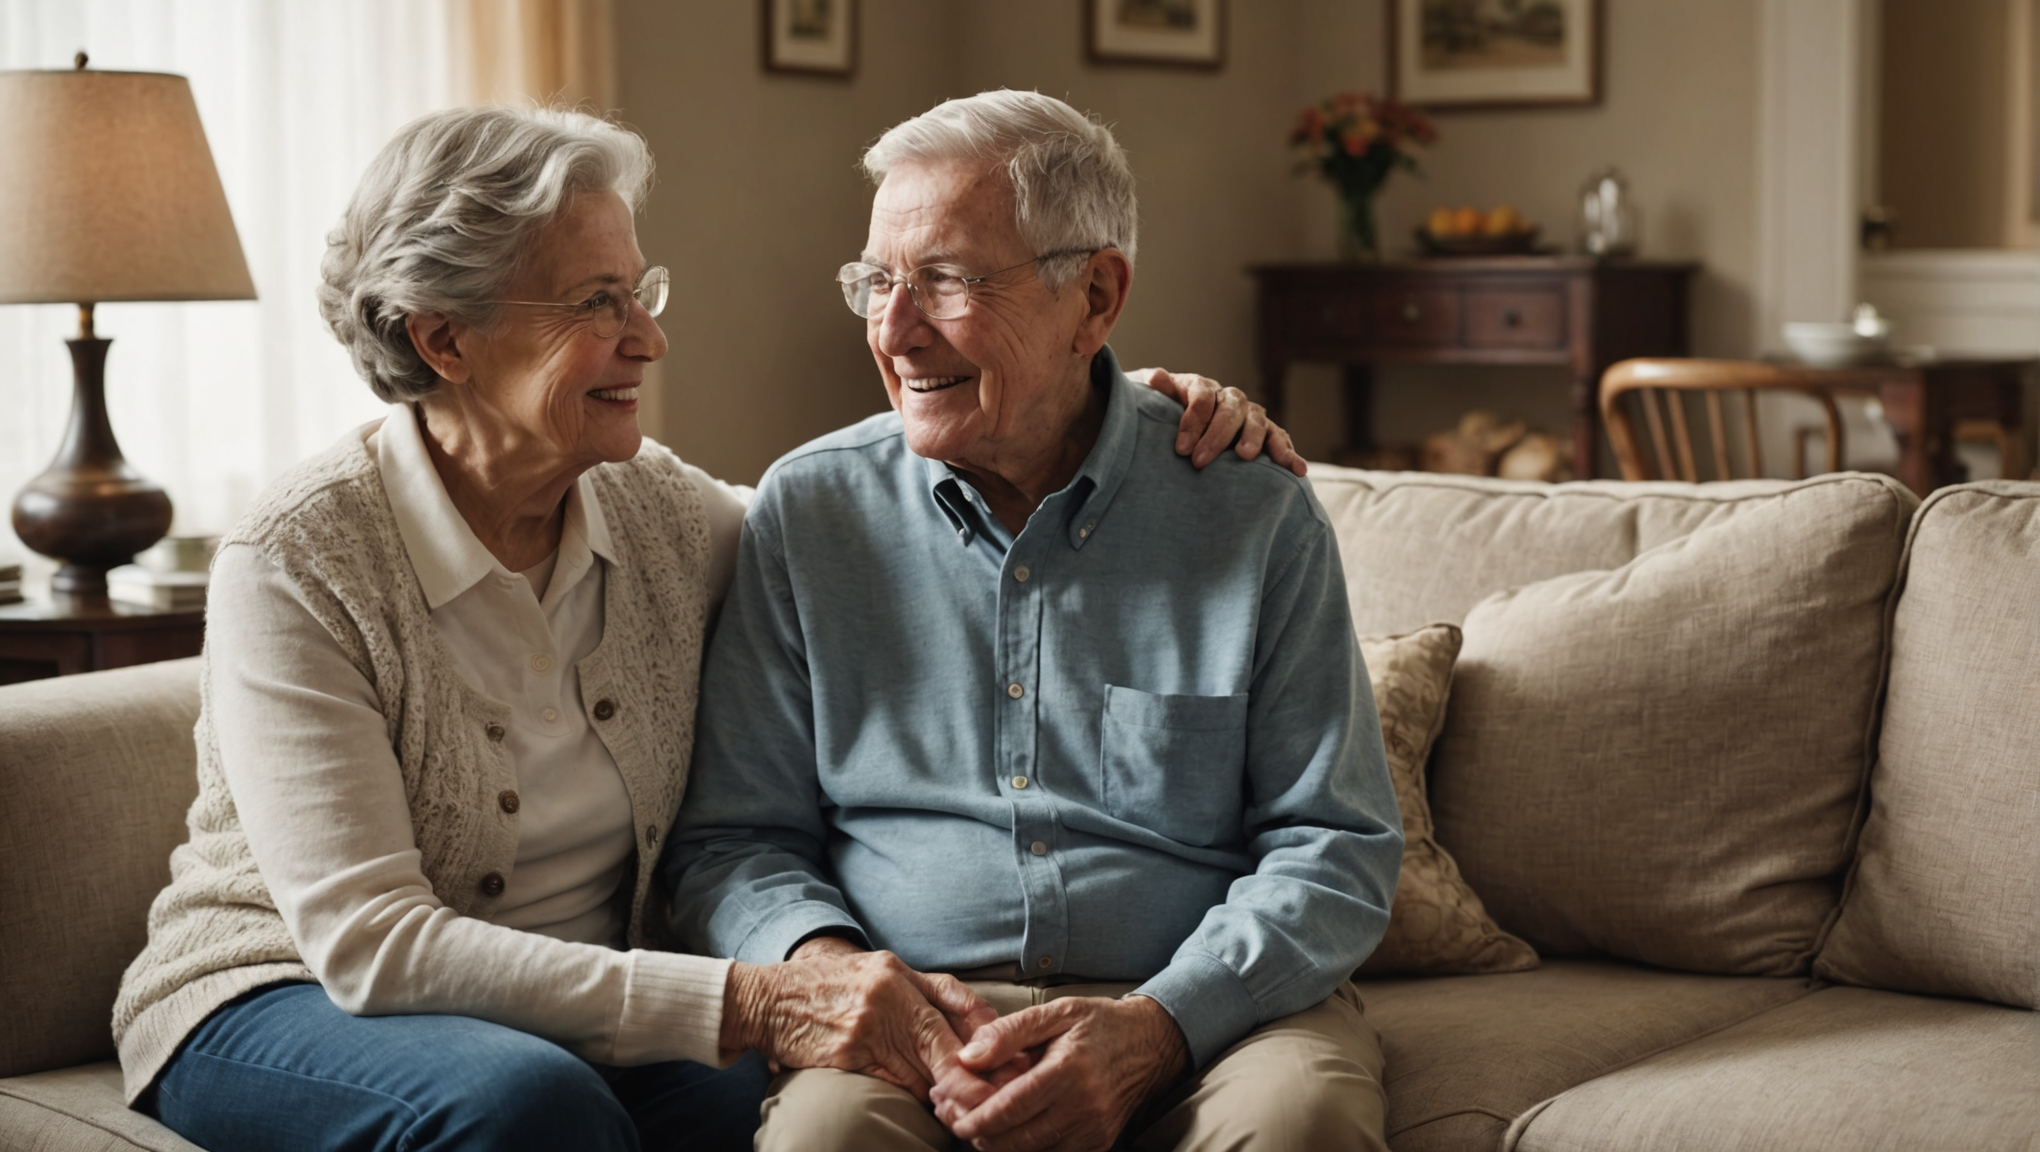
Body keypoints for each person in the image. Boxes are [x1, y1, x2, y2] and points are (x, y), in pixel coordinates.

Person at [111, 104, 1297, 1152]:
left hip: (597, 1008)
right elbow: (375, 946)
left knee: (827, 1110)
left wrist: (1125, 407)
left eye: (643, 291)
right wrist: (756, 1002)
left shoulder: (671, 517)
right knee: (529, 1107)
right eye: (596, 304)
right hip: (291, 996)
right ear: (443, 339)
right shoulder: (302, 558)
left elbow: (885, 520)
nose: (650, 338)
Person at [664, 89, 1404, 1152]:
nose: (894, 327)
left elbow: (1334, 845)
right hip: (910, 1025)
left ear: (1095, 296)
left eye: (947, 280)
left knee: (1304, 1123)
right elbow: (734, 840)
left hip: (1210, 1020)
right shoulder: (810, 511)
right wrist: (833, 972)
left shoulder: (1246, 505)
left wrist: (1160, 1026)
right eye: (877, 280)